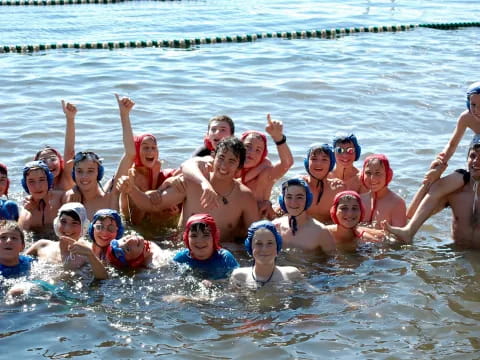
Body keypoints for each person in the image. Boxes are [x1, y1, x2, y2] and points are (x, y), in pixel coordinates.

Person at [118, 137, 260, 243]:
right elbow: (150, 204)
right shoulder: (191, 184)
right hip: (182, 251)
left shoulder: (244, 197)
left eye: (232, 161)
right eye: (221, 158)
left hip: (219, 257)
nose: (224, 165)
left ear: (239, 168)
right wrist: (131, 189)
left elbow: (255, 239)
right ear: (213, 158)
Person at [385, 134, 480, 249]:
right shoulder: (454, 192)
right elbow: (412, 213)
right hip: (457, 253)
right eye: (472, 156)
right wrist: (431, 181)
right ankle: (408, 232)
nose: (476, 161)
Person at [411, 82, 480, 217]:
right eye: (473, 105)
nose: (477, 110)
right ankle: (410, 222)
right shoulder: (466, 118)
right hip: (473, 165)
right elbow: (452, 144)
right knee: (434, 183)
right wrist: (440, 164)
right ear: (468, 103)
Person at [114, 94, 179, 231]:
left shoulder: (158, 170)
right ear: (137, 150)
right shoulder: (131, 174)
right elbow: (132, 214)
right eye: (145, 147)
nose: (150, 151)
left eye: (153, 148)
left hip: (154, 221)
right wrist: (149, 194)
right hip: (135, 225)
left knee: (176, 178)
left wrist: (167, 204)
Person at [25, 203, 107, 279]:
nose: (67, 228)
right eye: (63, 221)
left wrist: (90, 255)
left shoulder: (90, 250)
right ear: (56, 223)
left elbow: (104, 277)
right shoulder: (42, 245)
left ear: (84, 226)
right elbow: (17, 263)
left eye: (74, 223)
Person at [239, 114, 294, 219]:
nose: (251, 153)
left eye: (258, 150)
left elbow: (287, 163)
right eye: (247, 146)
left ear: (262, 156)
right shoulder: (229, 168)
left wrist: (278, 138)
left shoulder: (264, 174)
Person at [230, 220, 301, 288]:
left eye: (270, 243)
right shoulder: (239, 277)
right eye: (259, 243)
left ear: (277, 247)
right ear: (250, 247)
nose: (264, 249)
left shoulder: (291, 275)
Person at [273, 178, 336, 254]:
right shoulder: (276, 227)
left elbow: (332, 260)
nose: (294, 202)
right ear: (282, 200)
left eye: (299, 197)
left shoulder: (320, 232)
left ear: (308, 200)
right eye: (289, 197)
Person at [173, 214, 239, 280]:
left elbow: (237, 279)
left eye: (206, 235)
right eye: (194, 236)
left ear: (214, 238)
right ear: (187, 239)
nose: (200, 241)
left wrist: (214, 283)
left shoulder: (225, 258)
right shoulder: (181, 259)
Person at [34, 100, 77, 191]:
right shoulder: (34, 187)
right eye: (43, 161)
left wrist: (70, 118)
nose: (49, 163)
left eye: (53, 159)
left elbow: (69, 152)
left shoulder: (65, 180)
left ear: (61, 162)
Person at [18, 160, 64, 237]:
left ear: (49, 180)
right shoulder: (26, 210)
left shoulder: (62, 199)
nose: (37, 186)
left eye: (42, 179)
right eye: (31, 181)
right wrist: (31, 214)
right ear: (25, 184)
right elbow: (20, 236)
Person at [360, 154, 407, 228]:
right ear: (362, 175)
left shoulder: (397, 204)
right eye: (368, 173)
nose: (372, 178)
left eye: (378, 173)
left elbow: (399, 237)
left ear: (388, 175)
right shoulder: (359, 200)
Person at [302, 143, 345, 223]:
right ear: (307, 162)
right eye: (314, 159)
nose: (319, 163)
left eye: (324, 159)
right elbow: (280, 212)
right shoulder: (299, 185)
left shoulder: (338, 189)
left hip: (327, 231)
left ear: (331, 164)